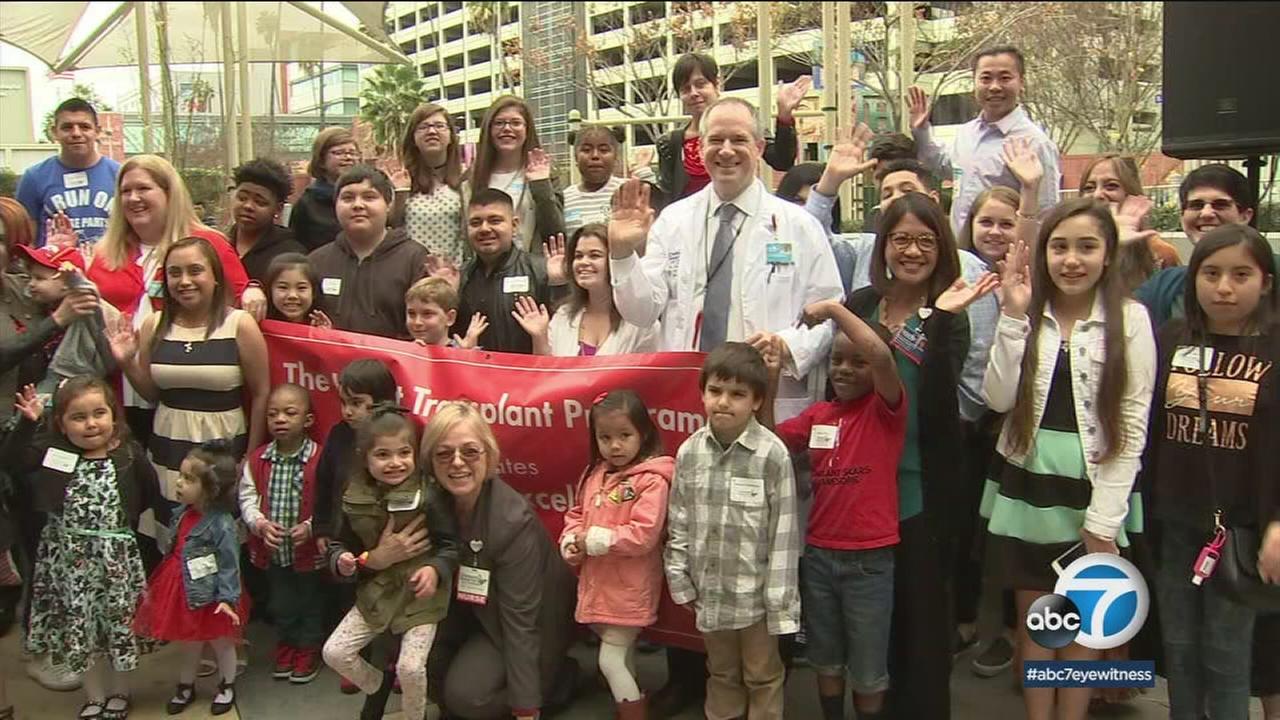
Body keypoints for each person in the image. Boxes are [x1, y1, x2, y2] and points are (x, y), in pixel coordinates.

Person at [980, 198, 1156, 720]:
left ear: (1107, 255)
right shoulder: (1026, 312)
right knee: (1040, 622)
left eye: (1087, 246)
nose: (1071, 260)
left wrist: (1104, 520)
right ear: (1043, 254)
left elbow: (1132, 421)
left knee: (1085, 627)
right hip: (1029, 486)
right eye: (1059, 247)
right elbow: (997, 399)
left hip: (1094, 488)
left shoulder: (1131, 319)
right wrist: (1012, 317)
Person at [845, 192, 998, 719]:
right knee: (871, 620)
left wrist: (931, 318)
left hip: (921, 484)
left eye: (925, 241)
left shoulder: (952, 315)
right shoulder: (862, 303)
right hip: (861, 483)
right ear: (884, 245)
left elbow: (935, 399)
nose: (912, 251)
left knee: (922, 620)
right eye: (901, 239)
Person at [608, 98, 843, 420]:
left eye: (739, 140)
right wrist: (622, 254)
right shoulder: (674, 220)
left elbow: (829, 309)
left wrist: (786, 345)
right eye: (716, 140)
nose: (727, 150)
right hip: (688, 398)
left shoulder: (798, 225)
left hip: (766, 397)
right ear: (701, 147)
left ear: (759, 147)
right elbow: (642, 311)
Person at [1145, 225, 1278, 720]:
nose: (1224, 287)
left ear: (1265, 282)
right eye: (1212, 273)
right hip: (1175, 521)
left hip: (1243, 530)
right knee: (1179, 649)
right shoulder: (1171, 340)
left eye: (1241, 275)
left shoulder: (1275, 347)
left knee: (1226, 657)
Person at [761, 301, 907, 720]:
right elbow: (773, 443)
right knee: (826, 656)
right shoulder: (819, 415)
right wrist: (770, 385)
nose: (844, 369)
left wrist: (830, 310)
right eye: (837, 360)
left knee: (867, 665)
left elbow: (879, 352)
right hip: (820, 556)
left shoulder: (885, 411)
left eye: (856, 362)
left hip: (869, 562)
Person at [2, 377, 165, 720]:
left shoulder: (129, 454)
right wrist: (27, 424)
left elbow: (151, 494)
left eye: (99, 413)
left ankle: (120, 692)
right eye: (78, 417)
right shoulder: (54, 452)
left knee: (119, 628)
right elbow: (14, 462)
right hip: (70, 566)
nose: (91, 424)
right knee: (82, 629)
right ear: (60, 423)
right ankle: (94, 696)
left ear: (113, 416)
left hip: (115, 563)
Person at [665, 343, 799, 720]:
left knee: (762, 675)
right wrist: (680, 577)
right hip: (711, 593)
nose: (724, 402)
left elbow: (784, 534)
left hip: (756, 599)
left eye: (738, 394)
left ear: (757, 401)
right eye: (715, 391)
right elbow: (679, 519)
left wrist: (779, 601)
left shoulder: (771, 455)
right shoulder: (690, 452)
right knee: (721, 672)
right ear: (702, 393)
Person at [88, 154, 259, 443]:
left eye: (143, 189)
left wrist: (254, 287)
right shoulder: (105, 253)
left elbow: (242, 299)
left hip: (189, 394)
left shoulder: (207, 242)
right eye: (126, 191)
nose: (133, 198)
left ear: (169, 193)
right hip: (117, 389)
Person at [423, 402, 578, 720]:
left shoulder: (510, 519)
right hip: (474, 610)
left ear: (489, 456)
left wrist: (526, 708)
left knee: (468, 698)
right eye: (444, 454)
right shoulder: (429, 502)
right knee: (421, 661)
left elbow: (522, 620)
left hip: (531, 620)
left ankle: (558, 680)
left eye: (470, 452)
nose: (456, 463)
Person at [108, 236, 271, 501]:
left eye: (195, 270)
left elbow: (262, 393)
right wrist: (126, 362)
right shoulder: (154, 325)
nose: (184, 281)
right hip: (167, 446)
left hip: (223, 450)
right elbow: (151, 394)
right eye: (174, 273)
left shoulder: (240, 324)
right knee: (171, 531)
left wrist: (250, 459)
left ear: (215, 276)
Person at [323, 406, 459, 720]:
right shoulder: (352, 495)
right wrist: (342, 560)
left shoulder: (429, 494)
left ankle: (416, 716)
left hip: (420, 597)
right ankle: (378, 684)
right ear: (364, 456)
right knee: (334, 652)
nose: (395, 463)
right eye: (383, 454)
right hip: (377, 593)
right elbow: (337, 543)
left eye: (404, 453)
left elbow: (451, 545)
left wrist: (434, 569)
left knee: (410, 668)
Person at [559, 390, 673, 719]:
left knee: (609, 658)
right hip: (598, 583)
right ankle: (633, 694)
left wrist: (594, 540)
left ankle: (633, 711)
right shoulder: (594, 474)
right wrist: (570, 540)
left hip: (629, 589)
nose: (615, 445)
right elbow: (576, 514)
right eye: (605, 437)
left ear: (644, 433)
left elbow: (643, 535)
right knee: (620, 654)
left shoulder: (652, 480)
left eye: (625, 435)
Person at [134, 441, 248, 716]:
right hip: (183, 588)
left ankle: (226, 684)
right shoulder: (182, 514)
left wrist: (228, 599)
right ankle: (186, 684)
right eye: (180, 476)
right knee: (189, 642)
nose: (179, 483)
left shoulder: (220, 524)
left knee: (222, 642)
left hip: (214, 594)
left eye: (189, 479)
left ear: (211, 489)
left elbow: (230, 564)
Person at [309, 359, 401, 697]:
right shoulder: (337, 436)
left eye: (358, 403)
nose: (348, 411)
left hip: (389, 538)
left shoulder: (399, 436)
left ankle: (394, 660)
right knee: (350, 598)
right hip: (345, 537)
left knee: (395, 600)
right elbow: (322, 485)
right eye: (344, 402)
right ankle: (357, 661)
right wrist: (322, 530)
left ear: (383, 401)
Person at [907, 46, 1061, 235]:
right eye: (986, 78)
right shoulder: (966, 133)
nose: (994, 87)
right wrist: (920, 130)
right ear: (974, 82)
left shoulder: (1036, 143)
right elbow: (942, 165)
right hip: (961, 255)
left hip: (1004, 258)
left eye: (1004, 78)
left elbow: (1046, 214)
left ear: (1021, 82)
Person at [239, 383, 326, 684]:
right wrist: (260, 525)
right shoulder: (258, 460)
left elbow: (330, 501)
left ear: (308, 420)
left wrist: (312, 527)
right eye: (273, 414)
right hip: (274, 553)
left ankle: (308, 648)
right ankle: (287, 643)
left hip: (309, 553)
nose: (280, 419)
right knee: (281, 602)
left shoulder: (320, 458)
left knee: (311, 602)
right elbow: (247, 498)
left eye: (290, 413)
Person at [1137, 164, 1275, 329]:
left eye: (1220, 205)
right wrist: (1113, 243)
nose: (1207, 213)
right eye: (1196, 205)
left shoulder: (1273, 269)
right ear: (1182, 217)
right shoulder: (1165, 285)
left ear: (1245, 216)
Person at [656, 53, 808, 200]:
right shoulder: (671, 142)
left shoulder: (744, 121)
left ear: (717, 84)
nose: (694, 93)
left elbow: (782, 161)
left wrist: (784, 114)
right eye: (685, 89)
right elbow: (668, 193)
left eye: (701, 84)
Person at [308, 165, 429, 339]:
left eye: (369, 197)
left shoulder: (415, 258)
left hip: (394, 364)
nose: (358, 205)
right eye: (348, 198)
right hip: (332, 364)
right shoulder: (316, 262)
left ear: (388, 205)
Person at [440, 188, 567, 353]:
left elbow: (565, 333)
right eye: (475, 223)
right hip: (475, 375)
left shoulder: (540, 270)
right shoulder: (459, 278)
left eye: (495, 220)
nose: (484, 229)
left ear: (514, 225)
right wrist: (445, 296)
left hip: (528, 374)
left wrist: (562, 284)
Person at [512, 223, 658, 356]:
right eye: (578, 256)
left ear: (614, 260)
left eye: (595, 255)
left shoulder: (641, 321)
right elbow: (547, 374)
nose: (583, 262)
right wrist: (539, 337)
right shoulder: (563, 315)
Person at [11, 243, 122, 400]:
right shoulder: (38, 306)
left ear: (66, 284)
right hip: (38, 389)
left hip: (77, 386)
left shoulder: (85, 306)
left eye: (39, 278)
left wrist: (75, 280)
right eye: (30, 277)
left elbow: (89, 293)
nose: (31, 284)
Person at [462, 96, 564, 254]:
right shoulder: (470, 180)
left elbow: (556, 234)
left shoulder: (545, 176)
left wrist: (541, 186)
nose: (507, 129)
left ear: (527, 129)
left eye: (515, 123)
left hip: (531, 271)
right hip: (484, 272)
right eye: (499, 123)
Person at [16, 98, 121, 249]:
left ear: (97, 131)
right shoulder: (34, 178)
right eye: (67, 127)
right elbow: (26, 242)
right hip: (53, 269)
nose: (76, 133)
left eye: (85, 127)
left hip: (110, 269)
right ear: (54, 132)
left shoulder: (120, 174)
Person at [1079, 153, 1180, 277]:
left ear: (1131, 193)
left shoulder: (1160, 253)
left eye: (1111, 186)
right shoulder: (1068, 248)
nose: (1097, 195)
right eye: (1089, 188)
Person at [391, 103, 466, 262]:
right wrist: (401, 194)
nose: (432, 131)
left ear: (452, 136)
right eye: (423, 127)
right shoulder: (399, 179)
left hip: (455, 274)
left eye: (439, 126)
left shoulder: (467, 178)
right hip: (411, 274)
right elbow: (391, 225)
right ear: (413, 137)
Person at [226, 158, 307, 283]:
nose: (248, 206)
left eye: (260, 202)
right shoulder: (219, 244)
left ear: (278, 209)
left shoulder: (290, 254)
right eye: (242, 198)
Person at [291, 128, 360, 251]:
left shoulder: (369, 197)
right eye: (339, 153)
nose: (348, 157)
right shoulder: (307, 203)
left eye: (353, 153)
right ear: (321, 160)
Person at [563, 127, 625, 238]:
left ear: (616, 157)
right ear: (576, 157)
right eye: (586, 150)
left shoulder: (628, 191)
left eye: (604, 150)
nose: (595, 156)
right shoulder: (564, 199)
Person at [404, 277, 486, 349]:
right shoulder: (402, 353)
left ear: (450, 318)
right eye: (411, 314)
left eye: (427, 314)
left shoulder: (462, 349)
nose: (417, 322)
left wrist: (466, 356)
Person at [263, 253, 332, 327]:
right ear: (270, 290)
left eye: (301, 288)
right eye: (283, 287)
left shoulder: (324, 328)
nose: (292, 295)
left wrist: (326, 335)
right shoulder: (256, 327)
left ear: (314, 292)